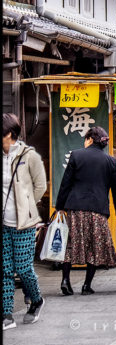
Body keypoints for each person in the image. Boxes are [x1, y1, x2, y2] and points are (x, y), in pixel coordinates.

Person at [56, 127, 116, 296]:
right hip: (98, 210)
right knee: (94, 247)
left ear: (89, 139)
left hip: (75, 208)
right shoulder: (110, 161)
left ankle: (65, 280)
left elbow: (66, 183)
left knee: (71, 245)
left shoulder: (76, 155)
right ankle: (86, 285)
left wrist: (60, 207)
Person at [3, 113, 46, 330]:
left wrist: (27, 207)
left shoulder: (29, 156)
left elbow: (41, 186)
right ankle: (6, 314)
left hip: (23, 224)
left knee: (23, 268)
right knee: (4, 269)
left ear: (9, 134)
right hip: (3, 224)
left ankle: (36, 301)